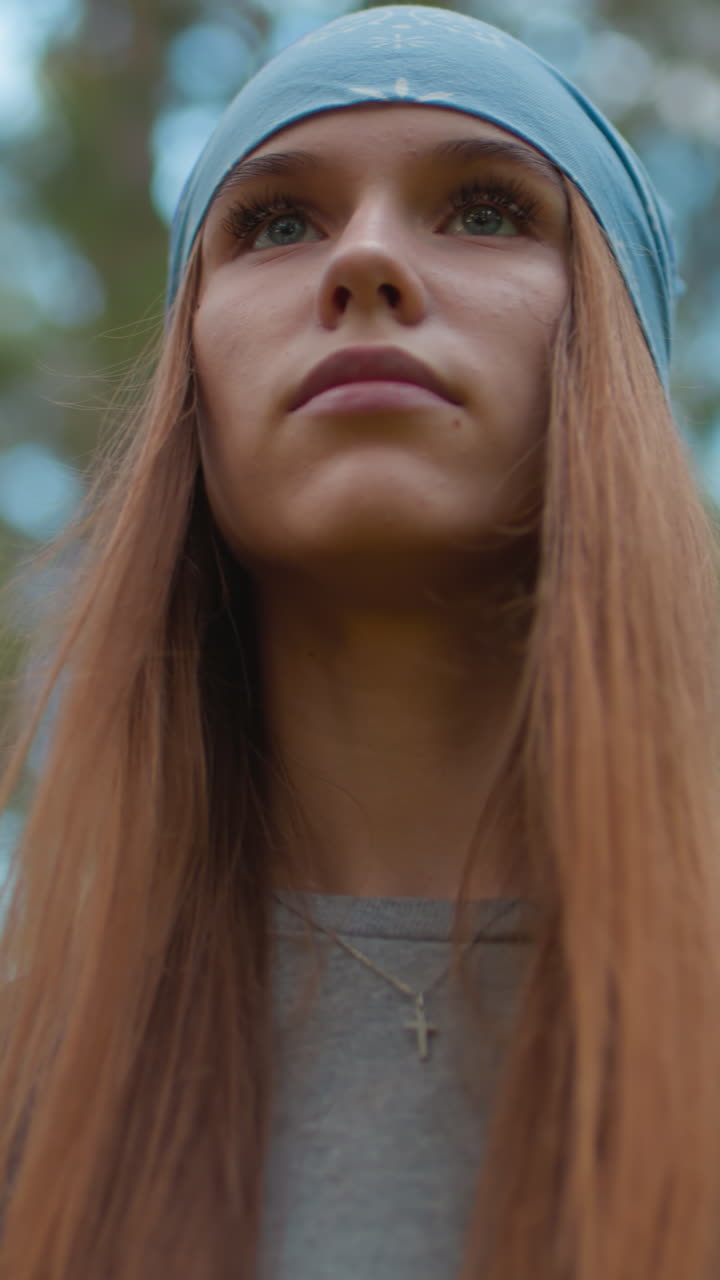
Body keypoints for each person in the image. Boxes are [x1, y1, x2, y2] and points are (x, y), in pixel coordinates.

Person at [1, 5, 720, 1278]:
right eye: (278, 223)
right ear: (191, 385)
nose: (368, 264)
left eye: (487, 208)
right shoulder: (29, 1091)